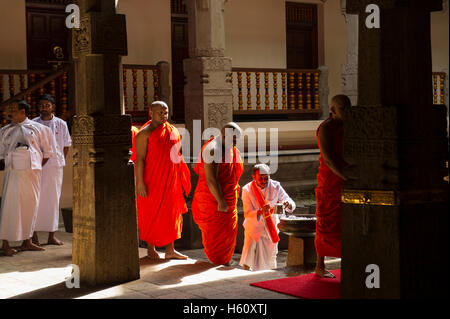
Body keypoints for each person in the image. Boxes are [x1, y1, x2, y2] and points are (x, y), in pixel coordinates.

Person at [135, 101, 191, 260]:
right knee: (151, 213)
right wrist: (140, 182)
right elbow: (140, 159)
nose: (163, 116)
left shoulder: (172, 130)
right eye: (160, 113)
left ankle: (170, 250)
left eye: (165, 113)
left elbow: (176, 154)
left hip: (171, 179)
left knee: (171, 214)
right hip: (152, 179)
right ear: (151, 113)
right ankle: (151, 249)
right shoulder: (144, 134)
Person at [0, 100, 54, 256]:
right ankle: (5, 243)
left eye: (14, 110)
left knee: (30, 206)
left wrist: (34, 166)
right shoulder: (5, 131)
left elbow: (47, 153)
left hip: (32, 174)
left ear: (23, 112)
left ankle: (27, 241)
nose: (10, 113)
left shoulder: (40, 129)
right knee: (10, 207)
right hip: (13, 174)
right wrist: (14, 163)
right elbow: (2, 154)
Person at [192, 122, 244, 266]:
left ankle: (224, 260)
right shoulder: (213, 149)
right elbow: (211, 179)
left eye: (236, 140)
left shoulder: (230, 148)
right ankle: (217, 260)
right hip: (213, 199)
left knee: (228, 232)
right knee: (216, 235)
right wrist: (221, 200)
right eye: (233, 139)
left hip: (227, 196)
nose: (235, 143)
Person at [314, 94, 350, 278]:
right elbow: (328, 159)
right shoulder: (326, 128)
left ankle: (349, 261)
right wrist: (345, 177)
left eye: (349, 108)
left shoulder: (348, 127)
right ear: (332, 110)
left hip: (346, 177)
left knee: (347, 222)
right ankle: (320, 265)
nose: (347, 112)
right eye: (342, 108)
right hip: (331, 180)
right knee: (326, 222)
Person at [240, 163, 296, 271]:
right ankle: (244, 275)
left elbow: (289, 201)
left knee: (270, 257)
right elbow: (247, 212)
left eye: (266, 178)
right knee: (249, 254)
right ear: (254, 177)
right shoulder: (247, 190)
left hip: (271, 226)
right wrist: (260, 211)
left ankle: (268, 277)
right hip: (254, 226)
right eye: (260, 178)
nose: (263, 180)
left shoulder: (276, 186)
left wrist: (288, 204)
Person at [32, 94, 71, 246]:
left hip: (54, 167)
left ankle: (51, 236)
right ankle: (33, 236)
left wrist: (60, 159)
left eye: (47, 105)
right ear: (38, 107)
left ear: (53, 106)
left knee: (53, 199)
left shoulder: (61, 123)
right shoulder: (33, 123)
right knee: (35, 199)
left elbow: (66, 144)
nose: (44, 108)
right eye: (41, 105)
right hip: (36, 166)